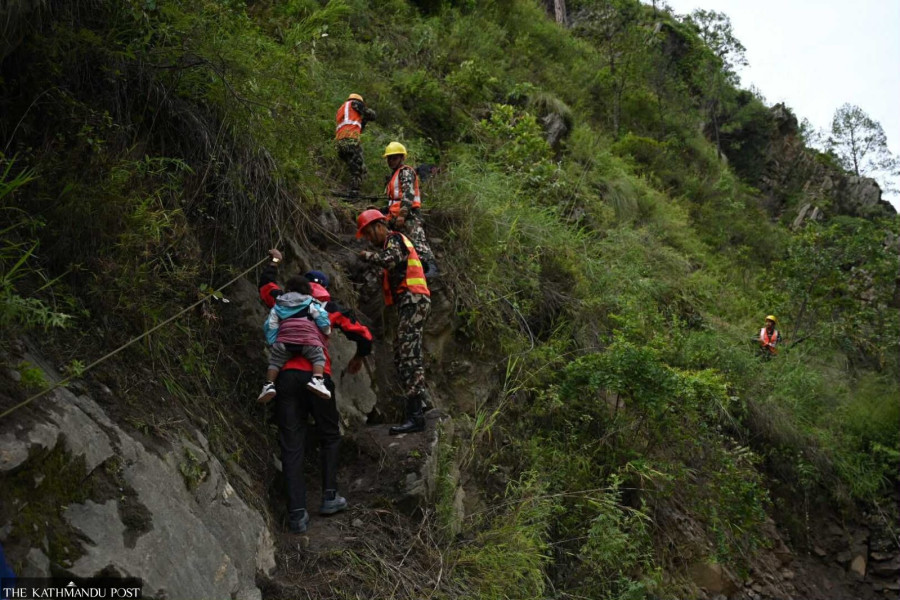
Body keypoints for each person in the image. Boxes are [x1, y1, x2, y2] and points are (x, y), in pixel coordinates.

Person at [259, 250, 373, 533]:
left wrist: (274, 262)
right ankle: (329, 496)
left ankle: (297, 514)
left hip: (286, 377)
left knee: (291, 443)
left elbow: (265, 286)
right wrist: (360, 356)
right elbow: (364, 334)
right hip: (317, 377)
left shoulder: (282, 300)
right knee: (329, 435)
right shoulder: (329, 307)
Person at [356, 209, 431, 435]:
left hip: (413, 299)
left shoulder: (394, 239)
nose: (369, 239)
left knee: (408, 356)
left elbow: (389, 260)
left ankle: (416, 416)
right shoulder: (394, 242)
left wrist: (367, 256)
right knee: (402, 353)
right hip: (411, 301)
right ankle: (422, 403)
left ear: (379, 226)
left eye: (369, 234)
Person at [258, 275, 332, 404]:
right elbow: (321, 317)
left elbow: (270, 324)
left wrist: (273, 341)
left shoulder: (279, 303)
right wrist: (326, 330)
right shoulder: (311, 301)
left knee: (275, 362)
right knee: (318, 357)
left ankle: (268, 385)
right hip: (307, 340)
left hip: (284, 340)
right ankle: (317, 380)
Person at [382, 142, 437, 277]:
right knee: (402, 243)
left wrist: (402, 215)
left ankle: (432, 268)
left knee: (418, 241)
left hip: (409, 214)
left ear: (402, 158)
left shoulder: (405, 171)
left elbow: (408, 194)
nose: (391, 161)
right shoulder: (394, 175)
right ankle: (407, 269)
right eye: (389, 158)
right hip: (396, 214)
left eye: (394, 158)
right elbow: (395, 199)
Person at [335, 93, 376, 196]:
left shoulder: (342, 109)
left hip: (340, 142)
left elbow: (358, 127)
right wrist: (368, 114)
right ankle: (354, 192)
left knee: (352, 166)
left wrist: (363, 120)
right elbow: (371, 115)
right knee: (358, 167)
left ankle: (349, 190)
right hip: (350, 139)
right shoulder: (354, 103)